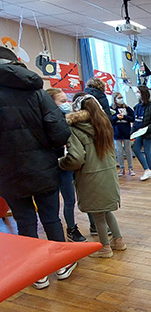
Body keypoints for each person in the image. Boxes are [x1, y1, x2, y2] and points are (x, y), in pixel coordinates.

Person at [0, 46, 76, 288]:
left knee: (25, 221)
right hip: (43, 167)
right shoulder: (38, 93)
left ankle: (37, 273)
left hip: (8, 174)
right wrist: (48, 150)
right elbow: (61, 132)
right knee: (51, 218)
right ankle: (61, 264)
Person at [59, 94, 126, 258]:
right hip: (109, 173)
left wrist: (61, 162)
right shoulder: (104, 124)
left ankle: (105, 248)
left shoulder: (74, 129)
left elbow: (76, 158)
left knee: (98, 214)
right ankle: (118, 241)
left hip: (91, 176)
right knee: (107, 210)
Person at [46, 88, 86, 242]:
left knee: (72, 199)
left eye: (66, 100)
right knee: (61, 201)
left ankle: (76, 227)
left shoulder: (69, 119)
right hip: (55, 165)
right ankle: (70, 229)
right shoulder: (48, 122)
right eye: (62, 101)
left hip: (68, 163)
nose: (66, 104)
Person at [132, 85, 151, 181]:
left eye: (138, 92)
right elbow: (136, 121)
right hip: (139, 132)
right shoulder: (137, 107)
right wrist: (132, 133)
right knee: (136, 148)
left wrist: (147, 129)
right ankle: (147, 170)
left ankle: (148, 170)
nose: (136, 94)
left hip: (148, 132)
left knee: (147, 150)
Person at [111, 92, 135, 176]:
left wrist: (124, 117)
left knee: (128, 150)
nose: (120, 99)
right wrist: (116, 117)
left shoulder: (127, 108)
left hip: (126, 132)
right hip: (116, 133)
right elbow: (109, 120)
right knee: (119, 151)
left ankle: (130, 168)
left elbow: (133, 118)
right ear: (114, 99)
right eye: (118, 97)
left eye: (121, 97)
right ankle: (121, 168)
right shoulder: (112, 109)